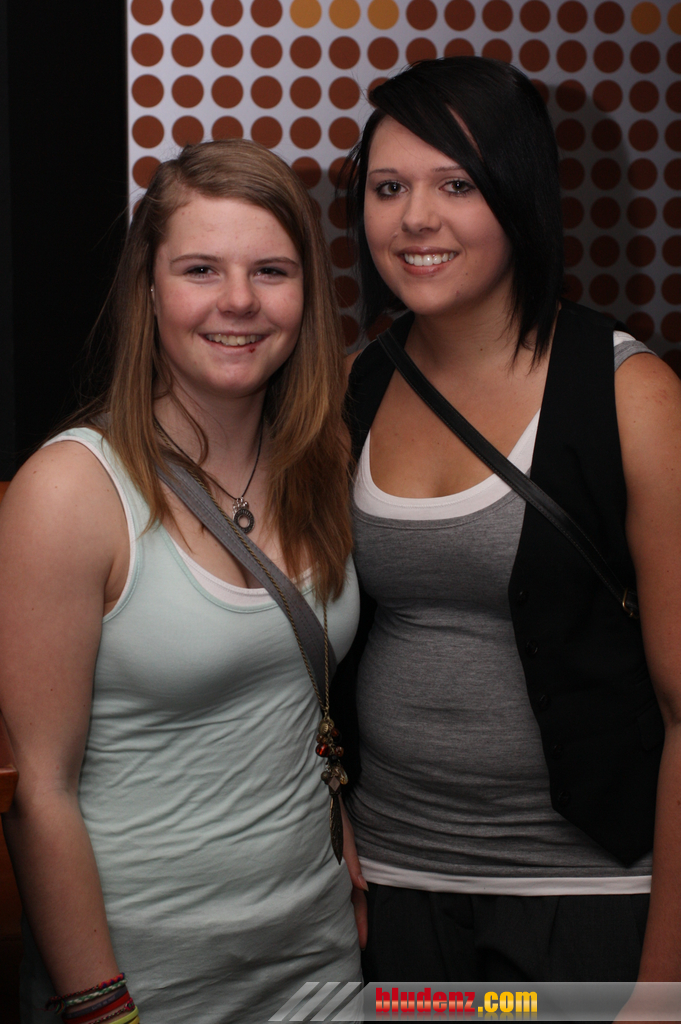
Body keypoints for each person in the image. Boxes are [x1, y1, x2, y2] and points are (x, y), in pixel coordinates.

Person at [0, 139, 365, 1024]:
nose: (238, 300)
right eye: (201, 269)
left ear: (306, 294)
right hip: (150, 982)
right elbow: (38, 792)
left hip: (318, 961)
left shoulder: (322, 459)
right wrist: (101, 1005)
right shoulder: (71, 491)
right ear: (149, 291)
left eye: (270, 271)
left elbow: (295, 704)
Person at [338, 56, 681, 987]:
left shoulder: (631, 395)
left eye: (456, 184)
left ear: (519, 195)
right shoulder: (356, 384)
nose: (414, 218)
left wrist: (663, 984)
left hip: (584, 897)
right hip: (395, 887)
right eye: (388, 188)